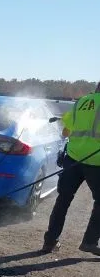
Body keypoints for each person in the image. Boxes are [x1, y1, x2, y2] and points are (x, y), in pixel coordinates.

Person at [42, 82, 100, 255]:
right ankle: (89, 242)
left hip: (73, 158)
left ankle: (50, 241)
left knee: (63, 199)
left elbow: (66, 132)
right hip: (96, 162)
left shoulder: (82, 101)